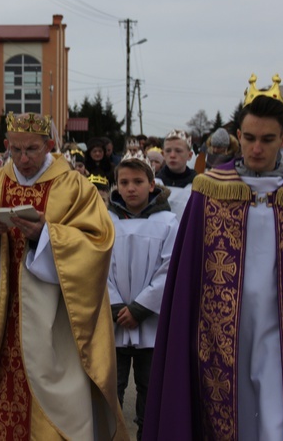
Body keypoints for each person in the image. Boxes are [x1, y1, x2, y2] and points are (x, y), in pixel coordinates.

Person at [143, 74, 283, 440]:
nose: (256, 149)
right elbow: (187, 272)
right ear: (239, 135)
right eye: (249, 139)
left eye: (267, 140)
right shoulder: (209, 189)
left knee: (277, 417)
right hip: (219, 328)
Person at [0, 112, 128, 440]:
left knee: (51, 415)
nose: (23, 158)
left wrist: (46, 236)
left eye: (32, 149)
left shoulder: (74, 187)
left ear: (48, 145)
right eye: (15, 150)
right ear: (6, 145)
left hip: (54, 323)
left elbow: (97, 244)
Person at [107, 159, 178, 440]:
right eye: (124, 183)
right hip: (114, 323)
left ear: (152, 185)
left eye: (138, 182)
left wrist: (139, 309)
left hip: (151, 326)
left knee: (151, 393)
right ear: (116, 187)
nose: (131, 188)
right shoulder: (104, 220)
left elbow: (170, 268)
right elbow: (95, 266)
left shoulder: (168, 222)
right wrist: (115, 306)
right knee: (111, 390)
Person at [156, 129, 196, 221]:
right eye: (168, 151)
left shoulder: (197, 186)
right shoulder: (154, 184)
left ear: (189, 155)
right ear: (163, 154)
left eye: (178, 151)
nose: (172, 155)